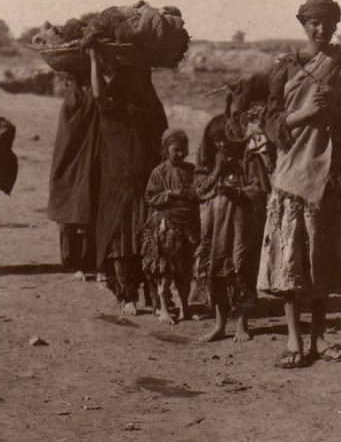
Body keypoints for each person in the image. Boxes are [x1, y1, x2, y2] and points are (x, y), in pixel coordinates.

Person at [257, 0, 341, 368]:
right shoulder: (284, 67)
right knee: (292, 259)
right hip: (293, 175)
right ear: (303, 24)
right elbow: (270, 124)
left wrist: (338, 110)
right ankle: (294, 339)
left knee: (322, 261)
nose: (321, 28)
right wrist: (307, 112)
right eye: (314, 22)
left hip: (331, 174)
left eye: (328, 22)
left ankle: (319, 336)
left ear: (335, 26)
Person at [195, 74, 274, 342]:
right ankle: (219, 323)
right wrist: (217, 170)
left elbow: (263, 184)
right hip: (217, 211)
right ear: (230, 106)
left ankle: (242, 322)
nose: (239, 115)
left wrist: (240, 189)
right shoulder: (215, 128)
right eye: (236, 108)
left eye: (244, 110)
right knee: (216, 262)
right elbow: (200, 177)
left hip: (244, 212)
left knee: (243, 263)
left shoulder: (258, 137)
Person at [90, 50, 168, 315]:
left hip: (147, 182)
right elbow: (99, 95)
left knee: (148, 239)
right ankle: (127, 295)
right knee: (123, 240)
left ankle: (155, 297)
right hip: (120, 183)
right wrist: (93, 59)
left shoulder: (152, 106)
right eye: (133, 76)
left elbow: (163, 140)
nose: (138, 81)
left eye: (142, 76)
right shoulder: (115, 107)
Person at [48, 72, 103, 282]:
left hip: (94, 161)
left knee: (93, 212)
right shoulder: (72, 102)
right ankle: (76, 264)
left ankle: (95, 264)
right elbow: (68, 134)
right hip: (72, 165)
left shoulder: (98, 96)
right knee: (73, 213)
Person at [141, 129, 200, 324]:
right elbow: (151, 197)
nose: (180, 154)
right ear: (166, 150)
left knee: (185, 270)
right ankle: (164, 308)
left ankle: (185, 307)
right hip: (167, 229)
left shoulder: (191, 170)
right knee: (165, 270)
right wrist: (170, 194)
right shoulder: (159, 172)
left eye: (184, 150)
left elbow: (198, 192)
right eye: (176, 150)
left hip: (188, 227)